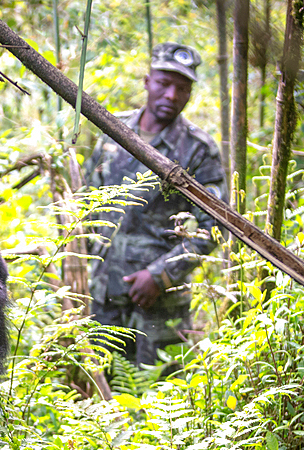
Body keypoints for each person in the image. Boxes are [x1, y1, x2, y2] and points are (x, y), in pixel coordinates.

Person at [82, 42, 227, 367]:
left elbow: (213, 227)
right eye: (164, 83)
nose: (171, 95)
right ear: (147, 81)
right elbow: (87, 203)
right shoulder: (112, 130)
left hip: (160, 309)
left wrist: (161, 275)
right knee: (101, 398)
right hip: (104, 296)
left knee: (158, 399)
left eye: (182, 88)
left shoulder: (197, 150)